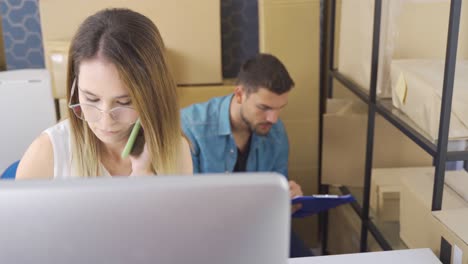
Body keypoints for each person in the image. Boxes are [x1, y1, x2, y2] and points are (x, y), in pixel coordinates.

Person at [17, 8, 192, 179]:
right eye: (91, 99)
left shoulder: (176, 150)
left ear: (153, 94)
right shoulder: (47, 152)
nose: (106, 122)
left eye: (124, 102)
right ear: (74, 87)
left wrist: (143, 174)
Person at [181, 53, 312, 257]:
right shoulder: (190, 127)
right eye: (264, 108)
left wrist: (286, 199)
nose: (273, 119)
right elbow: (185, 207)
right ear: (240, 94)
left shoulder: (275, 132)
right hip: (206, 233)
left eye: (280, 109)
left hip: (260, 228)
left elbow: (275, 192)